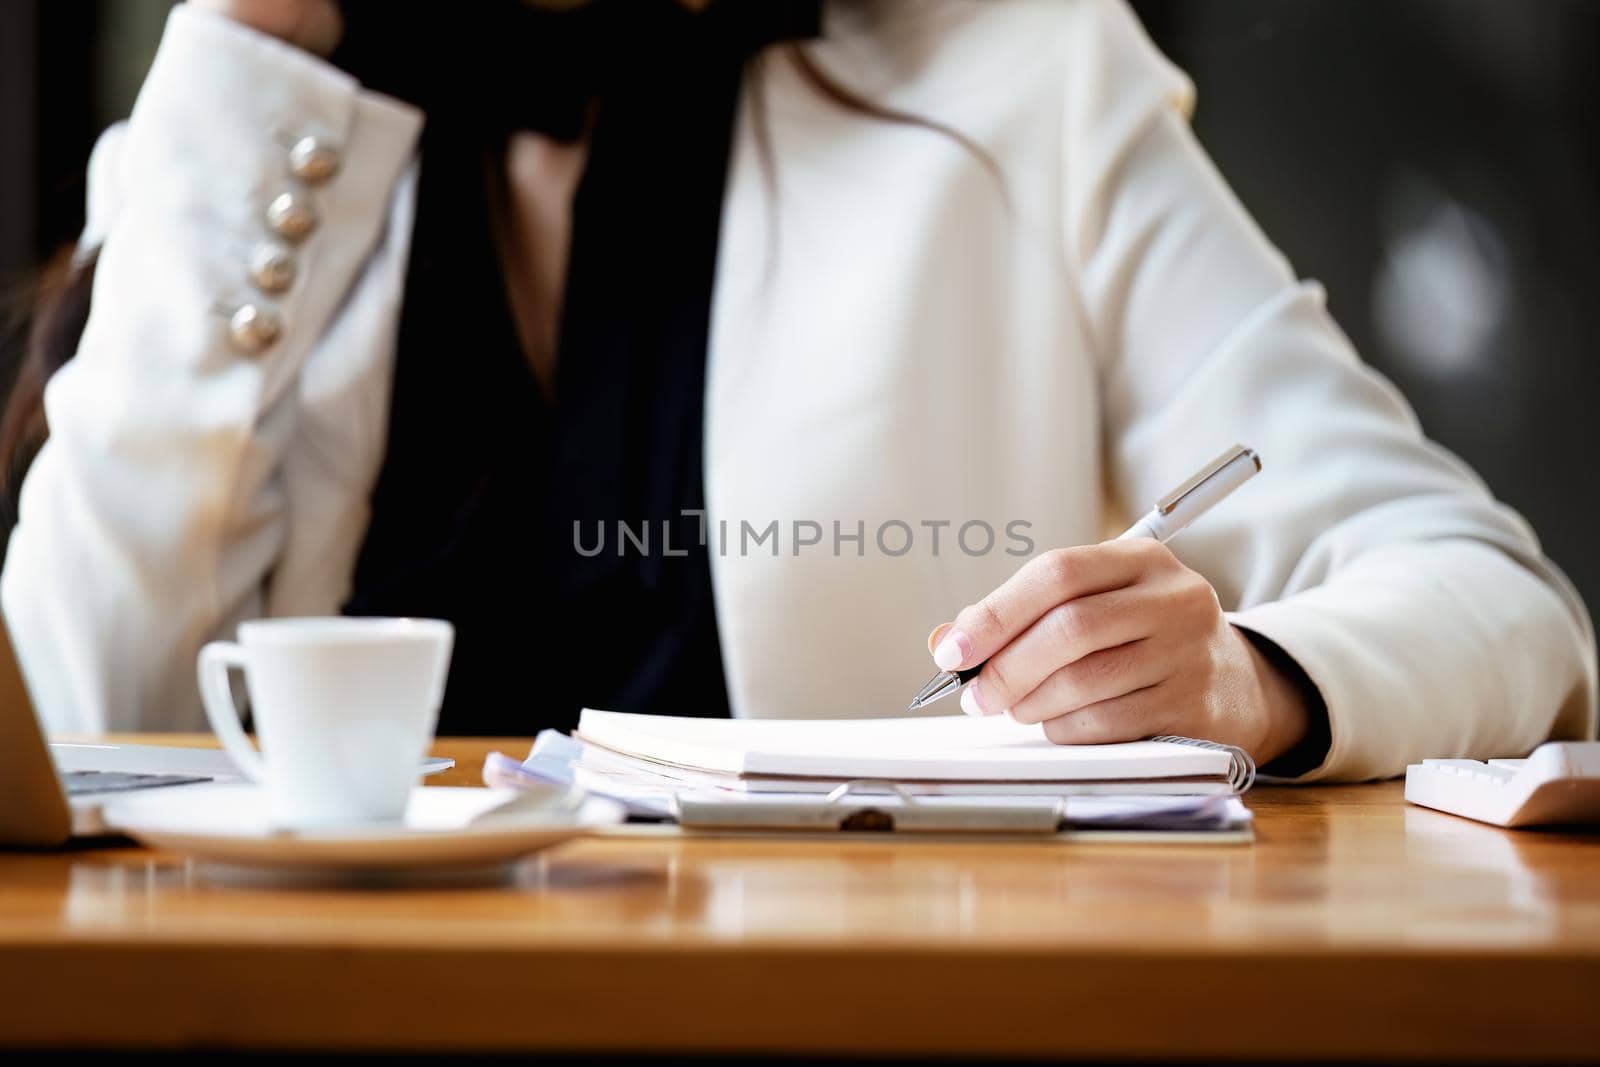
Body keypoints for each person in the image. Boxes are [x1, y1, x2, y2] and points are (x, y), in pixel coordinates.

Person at [1, 0, 1592, 780]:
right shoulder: (255, 131)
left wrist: (1252, 682)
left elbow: (1501, 603)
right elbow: (83, 723)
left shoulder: (1021, 72)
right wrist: (239, 53)